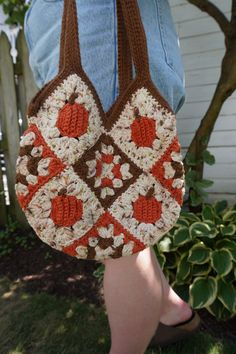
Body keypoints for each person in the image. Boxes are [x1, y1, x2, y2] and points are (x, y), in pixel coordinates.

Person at [24, 1, 200, 353]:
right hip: (60, 18)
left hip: (102, 17)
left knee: (122, 235)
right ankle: (169, 309)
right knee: (114, 219)